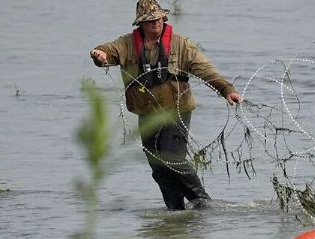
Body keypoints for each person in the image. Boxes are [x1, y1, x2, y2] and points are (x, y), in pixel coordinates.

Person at [89, 0, 243, 210]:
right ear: (141, 24)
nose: (155, 23)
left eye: (158, 18)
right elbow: (107, 52)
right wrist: (100, 55)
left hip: (176, 110)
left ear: (164, 18)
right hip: (146, 113)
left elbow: (204, 69)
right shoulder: (126, 44)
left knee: (171, 157)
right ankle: (175, 213)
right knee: (158, 168)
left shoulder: (181, 44)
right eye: (149, 20)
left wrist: (226, 89)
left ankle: (203, 202)